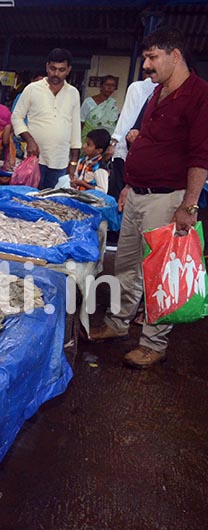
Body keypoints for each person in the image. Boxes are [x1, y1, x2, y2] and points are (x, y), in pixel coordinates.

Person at [88, 28, 208, 369]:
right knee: (126, 265)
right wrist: (129, 183)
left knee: (159, 272)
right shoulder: (157, 92)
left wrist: (189, 206)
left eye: (153, 57)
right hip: (138, 193)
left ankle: (154, 343)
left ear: (175, 55)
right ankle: (116, 324)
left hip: (168, 199)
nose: (146, 65)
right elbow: (145, 141)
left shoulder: (199, 95)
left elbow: (201, 155)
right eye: (145, 57)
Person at [11, 48, 81, 189]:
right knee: (30, 200)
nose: (56, 74)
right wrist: (29, 140)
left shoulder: (73, 93)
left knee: (52, 202)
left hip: (60, 161)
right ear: (47, 67)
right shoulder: (32, 89)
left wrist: (73, 162)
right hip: (35, 159)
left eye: (61, 70)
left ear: (68, 70)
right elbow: (16, 117)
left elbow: (75, 127)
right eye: (53, 69)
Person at [105, 73, 157, 200]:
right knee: (121, 196)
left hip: (145, 154)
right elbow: (126, 118)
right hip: (126, 150)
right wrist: (114, 142)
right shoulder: (138, 88)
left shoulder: (168, 91)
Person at [80, 75, 120, 142]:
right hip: (88, 140)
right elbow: (81, 122)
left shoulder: (113, 104)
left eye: (113, 86)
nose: (110, 88)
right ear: (101, 86)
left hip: (105, 141)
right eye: (107, 85)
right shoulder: (89, 102)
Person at [69, 128, 110, 193]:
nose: (84, 146)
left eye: (88, 145)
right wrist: (74, 183)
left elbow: (103, 191)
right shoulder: (82, 161)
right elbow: (76, 177)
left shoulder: (100, 168)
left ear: (98, 150)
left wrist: (83, 184)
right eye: (85, 142)